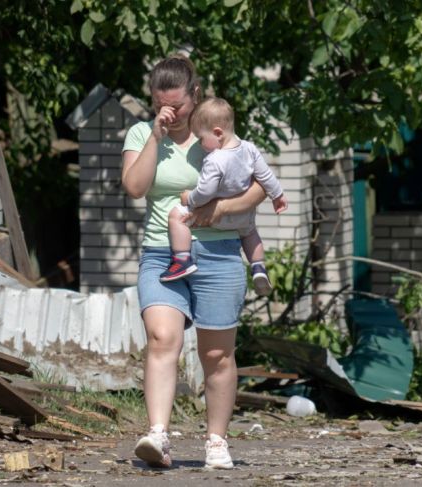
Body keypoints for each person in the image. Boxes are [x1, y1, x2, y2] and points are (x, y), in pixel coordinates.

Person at [121, 54, 267, 470]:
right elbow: (134, 187)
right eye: (160, 104)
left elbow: (259, 186)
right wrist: (155, 135)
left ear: (195, 95)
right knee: (162, 338)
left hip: (219, 253)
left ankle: (216, 442)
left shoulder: (219, 134)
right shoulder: (140, 133)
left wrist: (220, 211)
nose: (169, 112)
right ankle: (158, 434)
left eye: (178, 106)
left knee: (217, 355)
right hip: (161, 251)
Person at [159, 97, 288, 297]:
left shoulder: (215, 159)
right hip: (243, 214)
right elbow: (265, 176)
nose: (201, 145)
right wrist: (277, 195)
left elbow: (205, 192)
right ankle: (258, 267)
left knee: (176, 216)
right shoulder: (249, 149)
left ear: (218, 133)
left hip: (215, 218)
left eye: (201, 139)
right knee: (250, 233)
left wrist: (189, 199)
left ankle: (182, 260)